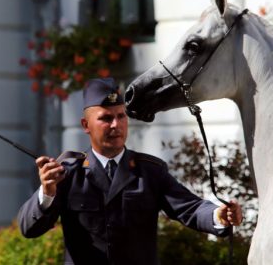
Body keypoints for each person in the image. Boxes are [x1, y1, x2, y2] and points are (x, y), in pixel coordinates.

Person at [18, 77, 242, 264]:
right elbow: (29, 228)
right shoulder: (68, 174)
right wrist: (47, 193)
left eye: (121, 116)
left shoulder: (149, 171)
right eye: (106, 118)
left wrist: (218, 215)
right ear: (86, 126)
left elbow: (190, 208)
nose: (116, 125)